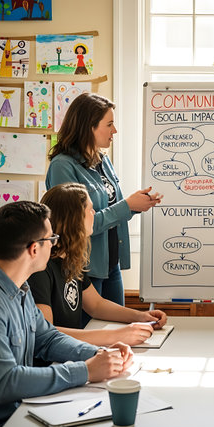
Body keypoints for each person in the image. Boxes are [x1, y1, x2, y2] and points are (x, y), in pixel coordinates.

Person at [0, 201, 133, 427]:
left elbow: (47, 337)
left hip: (21, 413)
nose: (54, 245)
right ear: (34, 249)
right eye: (51, 239)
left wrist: (99, 355)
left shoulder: (20, 288)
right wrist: (86, 370)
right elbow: (5, 381)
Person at [46, 93, 163, 313]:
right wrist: (127, 206)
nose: (114, 131)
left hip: (111, 265)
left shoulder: (103, 160)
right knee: (92, 337)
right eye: (109, 124)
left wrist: (137, 205)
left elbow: (111, 209)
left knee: (118, 331)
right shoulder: (62, 166)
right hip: (85, 269)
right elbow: (76, 225)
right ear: (88, 126)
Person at [28, 183, 167, 346]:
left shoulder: (70, 259)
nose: (94, 214)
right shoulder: (41, 268)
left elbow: (96, 305)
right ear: (75, 219)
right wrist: (116, 336)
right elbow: (46, 334)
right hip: (52, 363)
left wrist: (142, 316)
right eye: (90, 209)